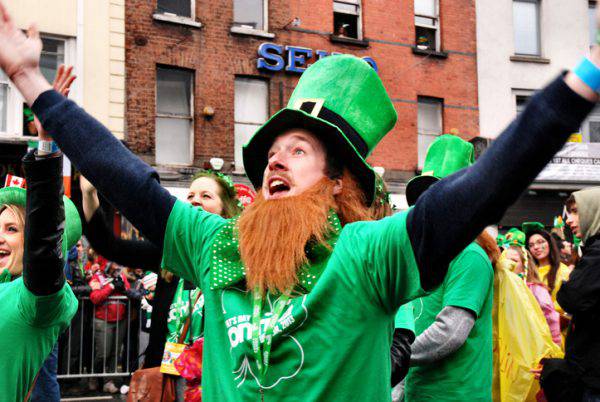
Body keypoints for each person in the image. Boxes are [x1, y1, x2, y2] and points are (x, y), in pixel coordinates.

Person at [2, 4, 600, 398]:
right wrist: (32, 82)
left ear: (338, 182)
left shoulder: (369, 253)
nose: (275, 162)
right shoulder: (216, 243)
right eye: (270, 153)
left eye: (298, 150)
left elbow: (488, 183)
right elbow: (126, 177)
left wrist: (584, 82)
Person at [80, 170, 242, 399]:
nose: (195, 200)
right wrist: (89, 195)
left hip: (214, 381)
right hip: (166, 378)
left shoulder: (237, 263)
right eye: (191, 196)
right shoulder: (168, 253)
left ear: (225, 211)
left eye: (206, 196)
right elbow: (109, 246)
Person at [402, 135, 495, 402]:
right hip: (418, 394)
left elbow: (450, 332)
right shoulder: (420, 256)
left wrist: (393, 356)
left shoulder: (470, 256)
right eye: (424, 198)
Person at [0, 107, 81, 401]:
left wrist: (46, 146)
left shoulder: (34, 300)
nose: (0, 237)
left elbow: (44, 244)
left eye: (12, 229)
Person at [540, 190, 600, 401]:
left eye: (576, 211)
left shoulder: (597, 252)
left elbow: (570, 297)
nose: (569, 220)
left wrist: (567, 285)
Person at [504, 241, 562, 346]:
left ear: (525, 265)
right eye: (505, 260)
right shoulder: (502, 288)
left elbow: (551, 319)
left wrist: (555, 345)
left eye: (514, 261)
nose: (508, 264)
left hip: (534, 347)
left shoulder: (536, 290)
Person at [526, 227, 571, 316]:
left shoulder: (563, 271)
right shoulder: (527, 272)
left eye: (540, 242)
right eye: (531, 245)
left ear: (550, 243)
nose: (536, 247)